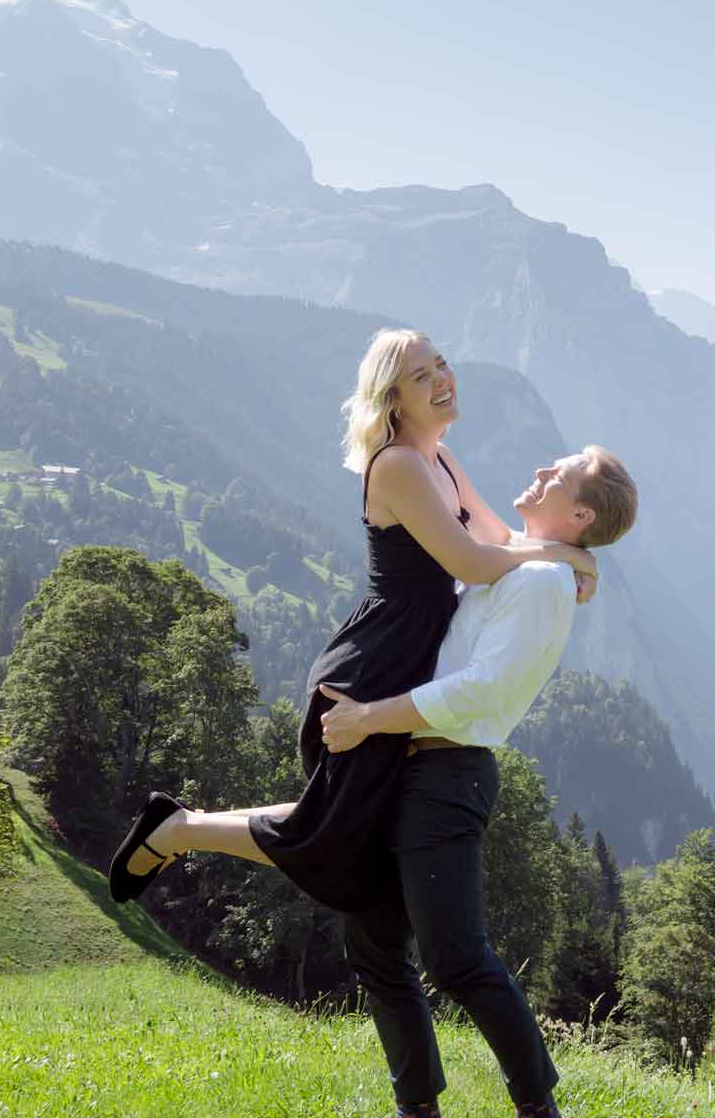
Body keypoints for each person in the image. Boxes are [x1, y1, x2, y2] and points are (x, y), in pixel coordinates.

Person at [106, 328, 596, 909]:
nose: (442, 380)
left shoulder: (440, 460)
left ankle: (179, 826)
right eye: (421, 377)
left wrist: (564, 555)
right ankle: (176, 830)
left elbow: (499, 540)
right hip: (375, 664)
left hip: (409, 658)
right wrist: (569, 554)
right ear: (393, 400)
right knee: (327, 835)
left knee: (342, 827)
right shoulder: (398, 466)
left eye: (441, 365)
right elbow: (473, 562)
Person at [313, 444, 637, 1118]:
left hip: (446, 773)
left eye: (557, 474)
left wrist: (369, 719)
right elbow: (465, 510)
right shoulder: (528, 562)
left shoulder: (547, 584)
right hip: (412, 766)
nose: (539, 470)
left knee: (458, 959)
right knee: (372, 941)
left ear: (580, 513)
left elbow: (482, 691)